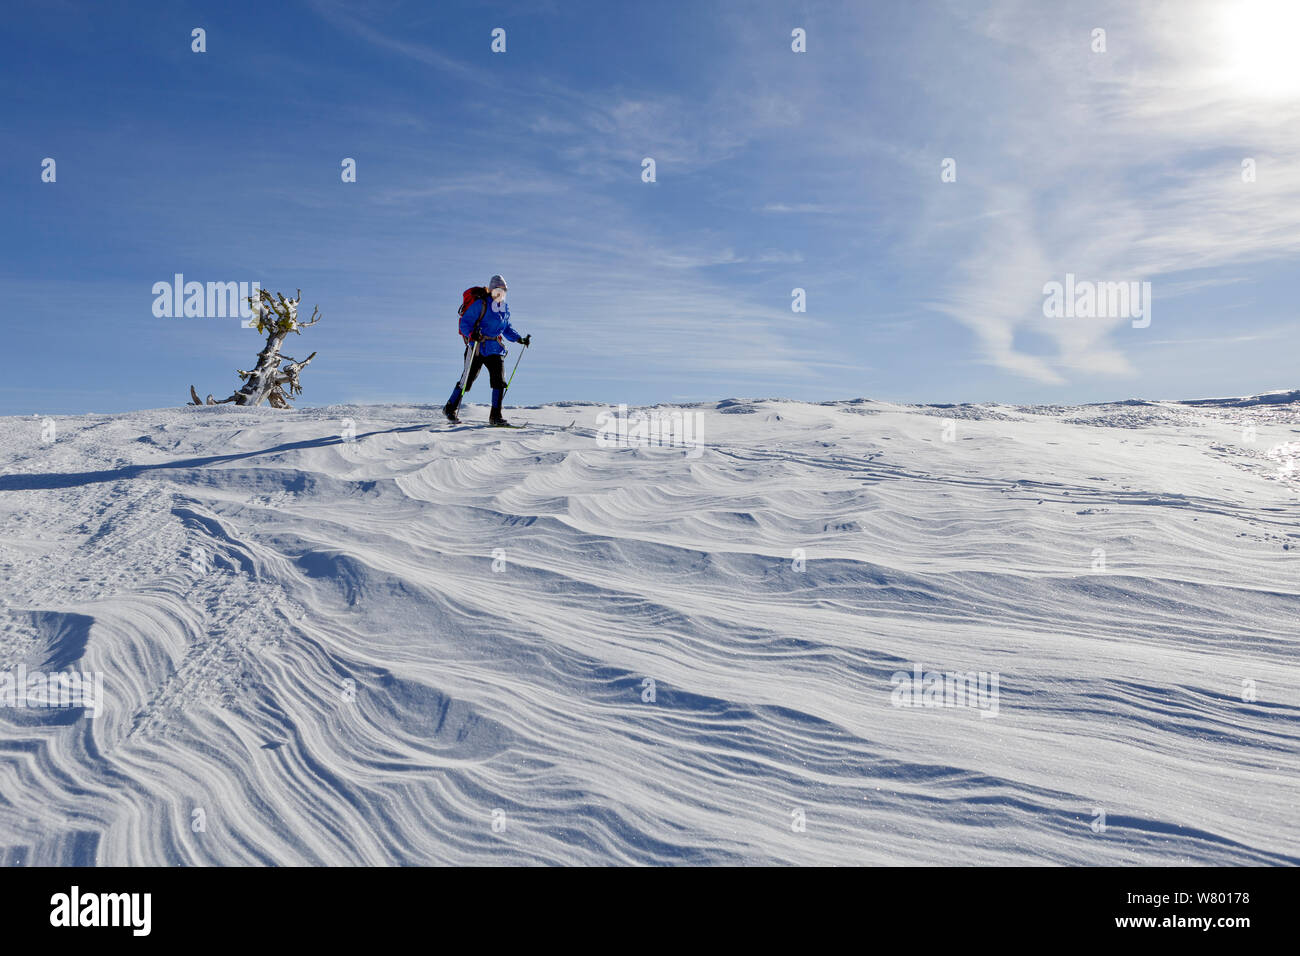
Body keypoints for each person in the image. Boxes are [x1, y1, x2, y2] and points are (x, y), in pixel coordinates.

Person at [443, 274, 531, 425]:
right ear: (491, 290)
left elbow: (506, 328)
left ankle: (495, 417)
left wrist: (519, 339)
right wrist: (472, 334)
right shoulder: (481, 304)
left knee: (499, 381)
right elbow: (465, 323)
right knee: (467, 380)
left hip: (494, 348)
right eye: (498, 289)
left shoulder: (503, 308)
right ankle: (449, 408)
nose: (501, 293)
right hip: (477, 347)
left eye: (504, 290)